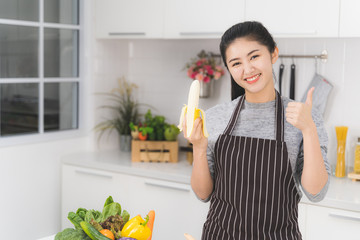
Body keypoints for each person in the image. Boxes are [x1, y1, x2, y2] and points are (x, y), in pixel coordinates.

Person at [183, 21, 330, 239]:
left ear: (273, 54)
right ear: (229, 69)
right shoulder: (215, 117)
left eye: (254, 57)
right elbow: (203, 194)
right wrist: (199, 147)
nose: (247, 69)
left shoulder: (304, 118)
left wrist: (308, 130)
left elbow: (316, 192)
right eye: (236, 63)